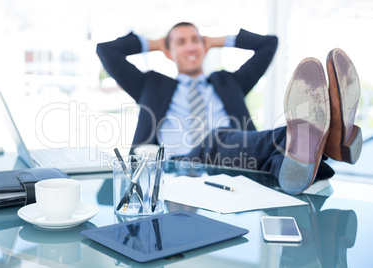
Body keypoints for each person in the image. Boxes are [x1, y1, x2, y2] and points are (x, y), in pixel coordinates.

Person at [96, 22, 362, 195]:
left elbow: (268, 44)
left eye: (195, 40)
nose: (190, 46)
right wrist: (157, 43)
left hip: (243, 165)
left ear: (204, 46)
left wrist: (216, 40)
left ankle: (304, 157)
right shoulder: (151, 85)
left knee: (282, 157)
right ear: (168, 52)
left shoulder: (228, 82)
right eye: (181, 42)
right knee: (222, 136)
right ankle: (333, 139)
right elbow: (106, 51)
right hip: (179, 166)